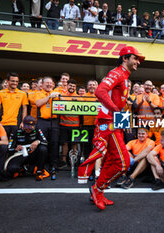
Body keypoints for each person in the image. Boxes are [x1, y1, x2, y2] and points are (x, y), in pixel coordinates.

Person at [78, 46, 144, 210]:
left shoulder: (125, 77)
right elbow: (100, 92)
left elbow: (117, 101)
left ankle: (97, 191)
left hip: (115, 124)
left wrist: (122, 119)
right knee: (122, 163)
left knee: (114, 160)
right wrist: (116, 111)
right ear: (125, 58)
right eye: (135, 58)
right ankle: (97, 189)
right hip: (108, 124)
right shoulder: (117, 73)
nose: (138, 62)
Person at [6, 115, 49, 181]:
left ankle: (39, 171)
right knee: (12, 169)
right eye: (26, 128)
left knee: (43, 149)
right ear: (23, 124)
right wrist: (15, 148)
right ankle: (26, 168)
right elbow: (9, 148)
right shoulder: (16, 130)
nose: (28, 130)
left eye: (30, 128)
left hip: (32, 154)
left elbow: (45, 142)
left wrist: (38, 141)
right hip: (20, 154)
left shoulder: (38, 129)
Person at [35, 76, 61, 180]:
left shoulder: (57, 93)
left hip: (54, 121)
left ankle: (53, 166)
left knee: (54, 144)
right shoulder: (38, 93)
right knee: (42, 144)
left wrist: (60, 97)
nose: (49, 85)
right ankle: (41, 167)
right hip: (42, 121)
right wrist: (50, 96)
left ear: (54, 85)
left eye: (51, 83)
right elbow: (38, 103)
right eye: (47, 83)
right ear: (42, 84)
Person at [0, 73, 29, 138]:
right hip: (2, 123)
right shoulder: (0, 93)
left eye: (16, 81)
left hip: (16, 124)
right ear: (7, 81)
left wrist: (23, 122)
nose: (15, 83)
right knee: (3, 146)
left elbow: (24, 108)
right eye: (13, 81)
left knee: (15, 146)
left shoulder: (23, 94)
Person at [58, 79, 80, 169]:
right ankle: (63, 161)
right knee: (64, 143)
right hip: (63, 124)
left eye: (74, 86)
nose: (72, 87)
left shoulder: (79, 97)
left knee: (74, 143)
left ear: (76, 87)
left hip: (75, 125)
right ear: (67, 86)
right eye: (70, 86)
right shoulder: (62, 95)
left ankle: (73, 160)